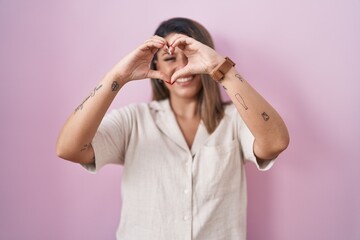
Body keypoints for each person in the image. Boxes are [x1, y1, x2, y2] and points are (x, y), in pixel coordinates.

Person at [56, 17, 289, 240]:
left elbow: (275, 143)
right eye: (170, 59)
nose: (182, 68)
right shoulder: (134, 120)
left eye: (189, 56)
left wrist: (221, 68)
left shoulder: (235, 121)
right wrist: (118, 76)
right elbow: (69, 148)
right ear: (156, 65)